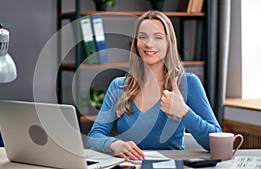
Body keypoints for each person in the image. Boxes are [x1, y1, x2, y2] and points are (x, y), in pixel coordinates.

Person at [87, 10, 222, 161]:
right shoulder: (118, 86)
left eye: (158, 37)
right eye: (142, 37)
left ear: (169, 43)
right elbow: (94, 136)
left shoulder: (188, 83)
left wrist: (184, 112)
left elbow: (216, 143)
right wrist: (113, 144)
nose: (149, 44)